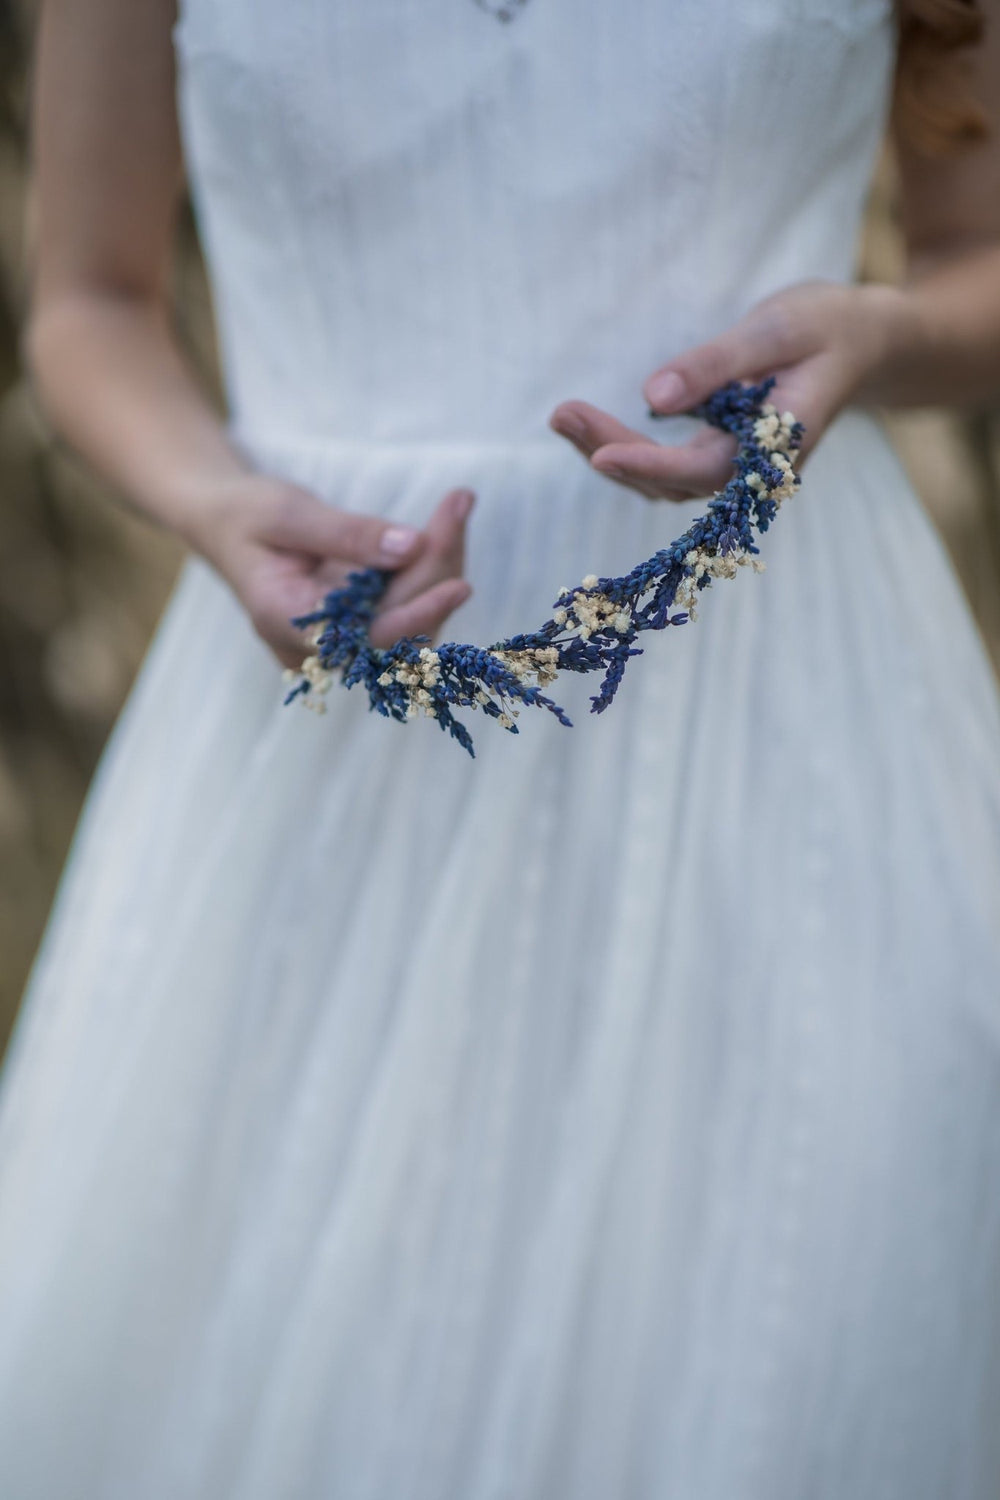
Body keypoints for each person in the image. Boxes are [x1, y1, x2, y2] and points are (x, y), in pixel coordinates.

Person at [1, 0, 1000, 1494]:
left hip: (785, 737)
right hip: (331, 732)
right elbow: (88, 300)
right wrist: (216, 502)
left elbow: (979, 261)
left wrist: (880, 332)